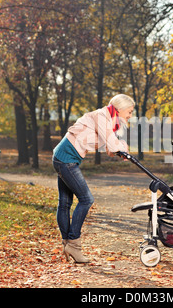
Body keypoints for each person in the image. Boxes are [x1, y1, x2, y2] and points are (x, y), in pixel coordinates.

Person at [52, 94, 135, 263]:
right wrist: (123, 146)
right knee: (86, 199)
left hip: (64, 157)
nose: (130, 116)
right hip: (66, 159)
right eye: (130, 111)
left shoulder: (109, 120)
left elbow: (110, 147)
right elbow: (112, 144)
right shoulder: (102, 116)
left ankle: (67, 244)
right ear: (120, 109)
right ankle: (73, 245)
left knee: (65, 203)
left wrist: (120, 150)